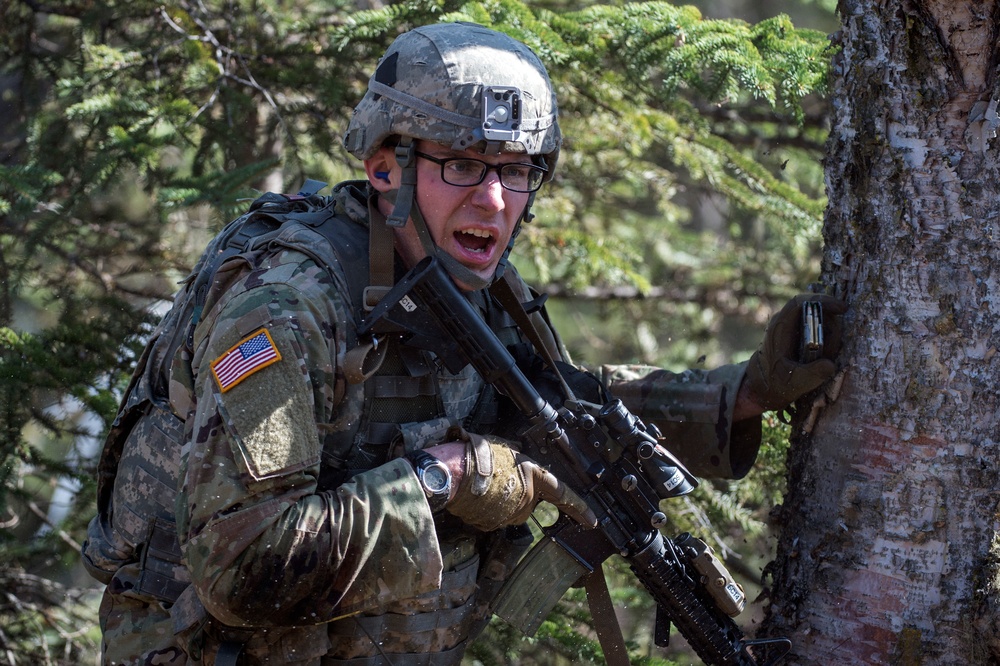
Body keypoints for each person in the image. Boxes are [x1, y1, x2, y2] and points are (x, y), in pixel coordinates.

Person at [81, 21, 845, 666]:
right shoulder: (286, 309)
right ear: (387, 168)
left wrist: (741, 392)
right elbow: (241, 568)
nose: (493, 199)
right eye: (462, 164)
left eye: (517, 171)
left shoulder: (464, 282)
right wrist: (448, 477)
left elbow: (554, 406)